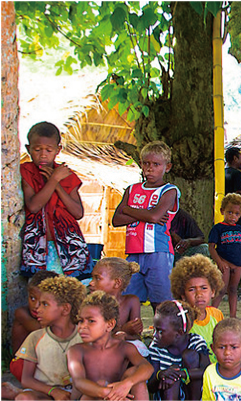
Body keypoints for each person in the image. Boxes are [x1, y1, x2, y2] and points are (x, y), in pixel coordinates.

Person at [112, 141, 180, 311]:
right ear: (141, 164)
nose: (150, 168)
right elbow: (116, 220)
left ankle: (163, 335)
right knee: (129, 299)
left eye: (156, 164)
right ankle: (131, 334)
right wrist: (146, 214)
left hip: (158, 252)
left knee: (161, 301)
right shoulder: (131, 189)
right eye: (146, 163)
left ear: (167, 167)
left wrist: (128, 210)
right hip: (133, 252)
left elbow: (155, 216)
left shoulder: (169, 191)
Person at [21, 121, 88, 277]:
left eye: (48, 150)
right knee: (41, 289)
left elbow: (78, 213)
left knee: (66, 290)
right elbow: (33, 206)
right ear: (28, 149)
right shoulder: (26, 171)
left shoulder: (66, 175)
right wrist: (53, 180)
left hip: (68, 245)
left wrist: (57, 183)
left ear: (58, 150)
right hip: (38, 246)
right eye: (37, 150)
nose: (43, 154)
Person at [8, 276, 86, 401]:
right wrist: (53, 391)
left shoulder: (84, 336)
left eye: (45, 304)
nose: (38, 309)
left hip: (78, 393)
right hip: (45, 392)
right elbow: (26, 380)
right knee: (24, 398)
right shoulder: (35, 337)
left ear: (65, 309)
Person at [67, 291, 153, 401]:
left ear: (110, 324)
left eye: (91, 321)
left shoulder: (124, 348)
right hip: (89, 397)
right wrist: (110, 393)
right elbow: (79, 382)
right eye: (81, 321)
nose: (83, 326)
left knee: (135, 376)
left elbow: (147, 368)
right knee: (98, 385)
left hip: (118, 396)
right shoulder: (76, 351)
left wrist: (126, 384)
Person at [146, 300, 210, 401]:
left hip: (192, 394)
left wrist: (180, 374)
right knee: (170, 375)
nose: (154, 335)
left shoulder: (195, 341)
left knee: (189, 356)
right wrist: (161, 375)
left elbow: (207, 371)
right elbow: (150, 387)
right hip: (167, 395)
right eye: (154, 329)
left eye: (160, 331)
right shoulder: (156, 347)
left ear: (179, 333)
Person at [208, 193, 241, 318]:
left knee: (233, 290)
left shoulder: (240, 229)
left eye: (237, 214)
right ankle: (211, 314)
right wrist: (219, 262)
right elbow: (211, 247)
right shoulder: (218, 228)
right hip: (224, 263)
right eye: (229, 212)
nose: (233, 216)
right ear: (222, 211)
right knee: (221, 289)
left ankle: (233, 315)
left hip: (238, 264)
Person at [87, 258, 145, 351]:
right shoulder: (90, 305)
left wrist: (125, 334)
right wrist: (123, 330)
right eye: (92, 277)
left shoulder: (131, 301)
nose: (91, 283)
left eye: (97, 278)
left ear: (117, 283)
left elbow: (136, 337)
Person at [11, 270, 60, 374]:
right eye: (32, 298)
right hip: (24, 366)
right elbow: (46, 332)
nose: (36, 305)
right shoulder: (22, 314)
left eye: (44, 302)